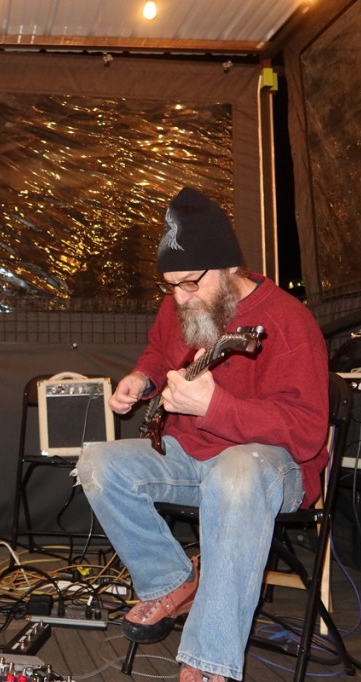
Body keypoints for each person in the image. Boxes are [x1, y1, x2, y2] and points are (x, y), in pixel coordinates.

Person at [77, 188, 328, 682]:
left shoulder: (289, 322)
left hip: (274, 469)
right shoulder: (181, 304)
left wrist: (215, 407)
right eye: (171, 285)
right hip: (194, 455)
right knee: (98, 464)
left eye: (191, 282)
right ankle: (173, 581)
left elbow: (305, 433)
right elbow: (159, 349)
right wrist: (142, 378)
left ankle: (210, 660)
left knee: (235, 472)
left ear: (230, 266)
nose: (181, 297)